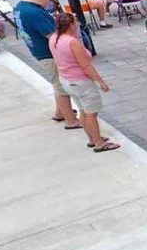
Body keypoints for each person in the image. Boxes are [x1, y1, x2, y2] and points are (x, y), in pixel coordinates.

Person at [48, 13, 116, 152]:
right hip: (80, 81)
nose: (78, 23)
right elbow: (85, 65)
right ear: (71, 24)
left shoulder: (54, 38)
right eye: (76, 21)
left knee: (83, 110)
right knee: (91, 113)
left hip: (66, 79)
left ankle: (92, 138)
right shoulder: (72, 43)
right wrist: (100, 81)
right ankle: (98, 142)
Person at [15, 0, 79, 127]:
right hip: (48, 53)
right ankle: (71, 121)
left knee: (57, 83)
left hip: (38, 51)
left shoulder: (20, 6)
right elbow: (54, 37)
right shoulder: (35, 12)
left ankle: (60, 113)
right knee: (60, 85)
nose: (49, 2)